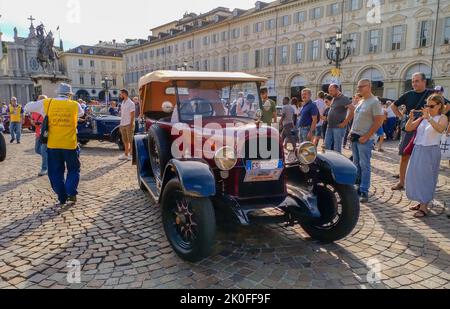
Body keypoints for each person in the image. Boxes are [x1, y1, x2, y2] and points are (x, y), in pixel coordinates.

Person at [25, 83, 84, 206]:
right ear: (69, 94)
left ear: (57, 92)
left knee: (56, 171)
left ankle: (62, 196)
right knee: (73, 169)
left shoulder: (47, 103)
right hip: (70, 144)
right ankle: (71, 191)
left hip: (53, 144)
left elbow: (28, 107)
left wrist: (40, 105)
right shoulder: (75, 105)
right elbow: (81, 113)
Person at [405, 94, 449, 218]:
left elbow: (440, 129)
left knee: (426, 178)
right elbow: (408, 128)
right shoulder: (424, 117)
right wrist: (411, 118)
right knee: (414, 176)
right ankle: (420, 201)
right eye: (427, 105)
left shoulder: (443, 117)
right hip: (418, 148)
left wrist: (429, 118)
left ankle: (424, 206)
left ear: (439, 105)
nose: (428, 108)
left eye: (431, 106)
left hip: (431, 150)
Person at [390, 72, 434, 191]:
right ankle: (401, 182)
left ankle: (420, 183)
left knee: (423, 157)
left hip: (425, 129)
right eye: (413, 81)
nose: (414, 83)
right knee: (404, 155)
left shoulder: (432, 94)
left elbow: (446, 105)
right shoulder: (408, 94)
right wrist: (401, 117)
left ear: (424, 81)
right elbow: (393, 106)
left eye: (417, 81)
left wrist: (437, 118)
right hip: (409, 128)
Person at [349, 79, 385, 203]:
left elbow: (379, 121)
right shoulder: (362, 101)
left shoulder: (374, 102)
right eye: (358, 87)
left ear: (369, 87)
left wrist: (367, 136)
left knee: (365, 165)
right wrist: (351, 131)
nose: (359, 89)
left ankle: (364, 190)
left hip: (365, 138)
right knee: (356, 163)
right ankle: (357, 186)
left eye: (361, 87)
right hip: (355, 136)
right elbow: (356, 118)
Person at [324, 84, 354, 153]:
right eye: (329, 91)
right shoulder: (334, 98)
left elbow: (353, 110)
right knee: (326, 145)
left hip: (338, 127)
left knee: (337, 148)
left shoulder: (344, 98)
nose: (330, 92)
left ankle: (337, 162)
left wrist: (345, 122)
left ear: (337, 89)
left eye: (331, 91)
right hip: (330, 126)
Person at [30, 95, 49, 177]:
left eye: (43, 101)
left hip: (45, 133)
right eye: (40, 101)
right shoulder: (35, 111)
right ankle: (49, 159)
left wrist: (42, 124)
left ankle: (44, 168)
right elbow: (32, 120)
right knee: (37, 150)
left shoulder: (48, 110)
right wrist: (33, 122)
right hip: (38, 133)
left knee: (44, 150)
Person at [119, 89, 135, 161]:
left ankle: (131, 154)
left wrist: (131, 124)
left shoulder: (131, 103)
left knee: (130, 140)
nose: (120, 95)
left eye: (121, 94)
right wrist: (120, 124)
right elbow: (122, 114)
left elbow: (132, 115)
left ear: (124, 94)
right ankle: (126, 154)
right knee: (125, 140)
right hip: (123, 123)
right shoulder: (123, 102)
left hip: (129, 124)